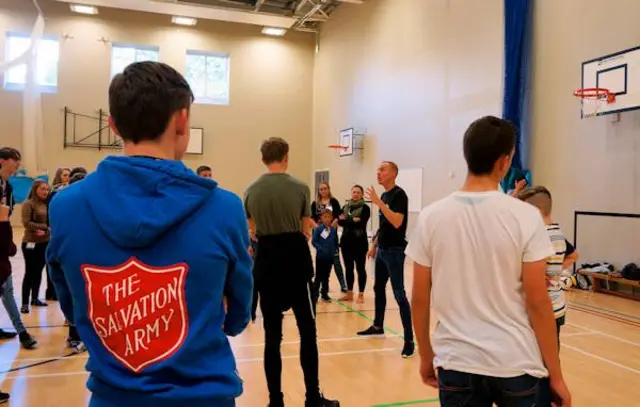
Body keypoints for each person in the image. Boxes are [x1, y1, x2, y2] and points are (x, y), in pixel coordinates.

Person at [46, 61, 253, 407]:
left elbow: (71, 303)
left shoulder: (65, 206)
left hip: (113, 397)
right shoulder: (225, 208)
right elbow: (239, 313)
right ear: (183, 120)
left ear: (112, 125)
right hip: (204, 398)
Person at [406, 116, 572, 407]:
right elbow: (537, 300)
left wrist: (425, 356)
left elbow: (419, 297)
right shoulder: (526, 216)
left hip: (456, 364)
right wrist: (555, 375)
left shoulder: (432, 216)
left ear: (466, 155)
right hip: (516, 363)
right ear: (504, 162)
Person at [244, 137, 339, 407]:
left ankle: (276, 401)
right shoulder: (300, 187)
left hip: (268, 264)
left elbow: (252, 229)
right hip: (296, 264)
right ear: (286, 156)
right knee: (307, 332)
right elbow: (304, 229)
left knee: (272, 337)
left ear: (263, 158)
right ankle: (312, 398)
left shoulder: (250, 190)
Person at [357, 161, 414, 359]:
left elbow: (397, 222)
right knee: (378, 288)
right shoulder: (383, 195)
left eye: (383, 170)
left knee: (399, 294)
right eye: (378, 169)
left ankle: (409, 340)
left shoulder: (399, 195)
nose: (378, 173)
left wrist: (379, 203)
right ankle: (378, 325)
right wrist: (374, 246)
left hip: (395, 251)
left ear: (394, 174)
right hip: (382, 250)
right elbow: (383, 226)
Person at [517, 186, 579, 346]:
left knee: (539, 359)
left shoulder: (540, 236)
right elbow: (574, 255)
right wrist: (556, 269)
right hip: (557, 307)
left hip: (541, 308)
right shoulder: (556, 233)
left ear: (535, 211)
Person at [0, 147, 38, 350]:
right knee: (6, 289)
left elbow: (5, 219)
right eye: (15, 160)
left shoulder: (9, 188)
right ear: (2, 161)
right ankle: (22, 332)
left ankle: (22, 331)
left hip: (1, 244)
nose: (18, 165)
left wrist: (7, 242)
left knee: (7, 289)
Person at [20, 180, 51, 313]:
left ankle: (35, 298)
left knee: (38, 272)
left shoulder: (47, 204)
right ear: (35, 190)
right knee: (29, 273)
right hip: (30, 243)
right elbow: (27, 223)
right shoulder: (28, 204)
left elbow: (52, 224)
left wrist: (46, 231)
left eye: (47, 189)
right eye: (42, 189)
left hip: (45, 242)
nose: (45, 192)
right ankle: (25, 303)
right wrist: (45, 228)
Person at [311, 183, 347, 293]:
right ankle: (322, 287)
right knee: (321, 260)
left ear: (328, 189)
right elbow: (310, 217)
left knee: (336, 260)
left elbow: (340, 216)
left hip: (331, 232)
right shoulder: (314, 204)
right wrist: (318, 227)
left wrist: (334, 223)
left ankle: (343, 284)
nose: (323, 191)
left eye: (325, 188)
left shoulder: (334, 202)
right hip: (319, 233)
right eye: (321, 189)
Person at [338, 185, 370, 303]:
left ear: (362, 194)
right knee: (348, 268)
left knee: (360, 268)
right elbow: (340, 221)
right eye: (354, 192)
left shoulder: (365, 208)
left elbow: (361, 224)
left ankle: (361, 294)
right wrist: (353, 220)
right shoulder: (345, 207)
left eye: (358, 192)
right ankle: (350, 293)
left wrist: (347, 221)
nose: (355, 194)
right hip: (346, 242)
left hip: (360, 243)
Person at [312, 209, 339, 302]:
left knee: (326, 276)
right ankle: (315, 295)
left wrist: (335, 250)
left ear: (331, 218)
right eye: (325, 217)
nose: (327, 219)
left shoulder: (333, 230)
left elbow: (335, 241)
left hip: (330, 257)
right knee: (319, 276)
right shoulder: (318, 229)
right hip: (321, 257)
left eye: (329, 217)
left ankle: (324, 293)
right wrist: (320, 249)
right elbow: (314, 241)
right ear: (321, 218)